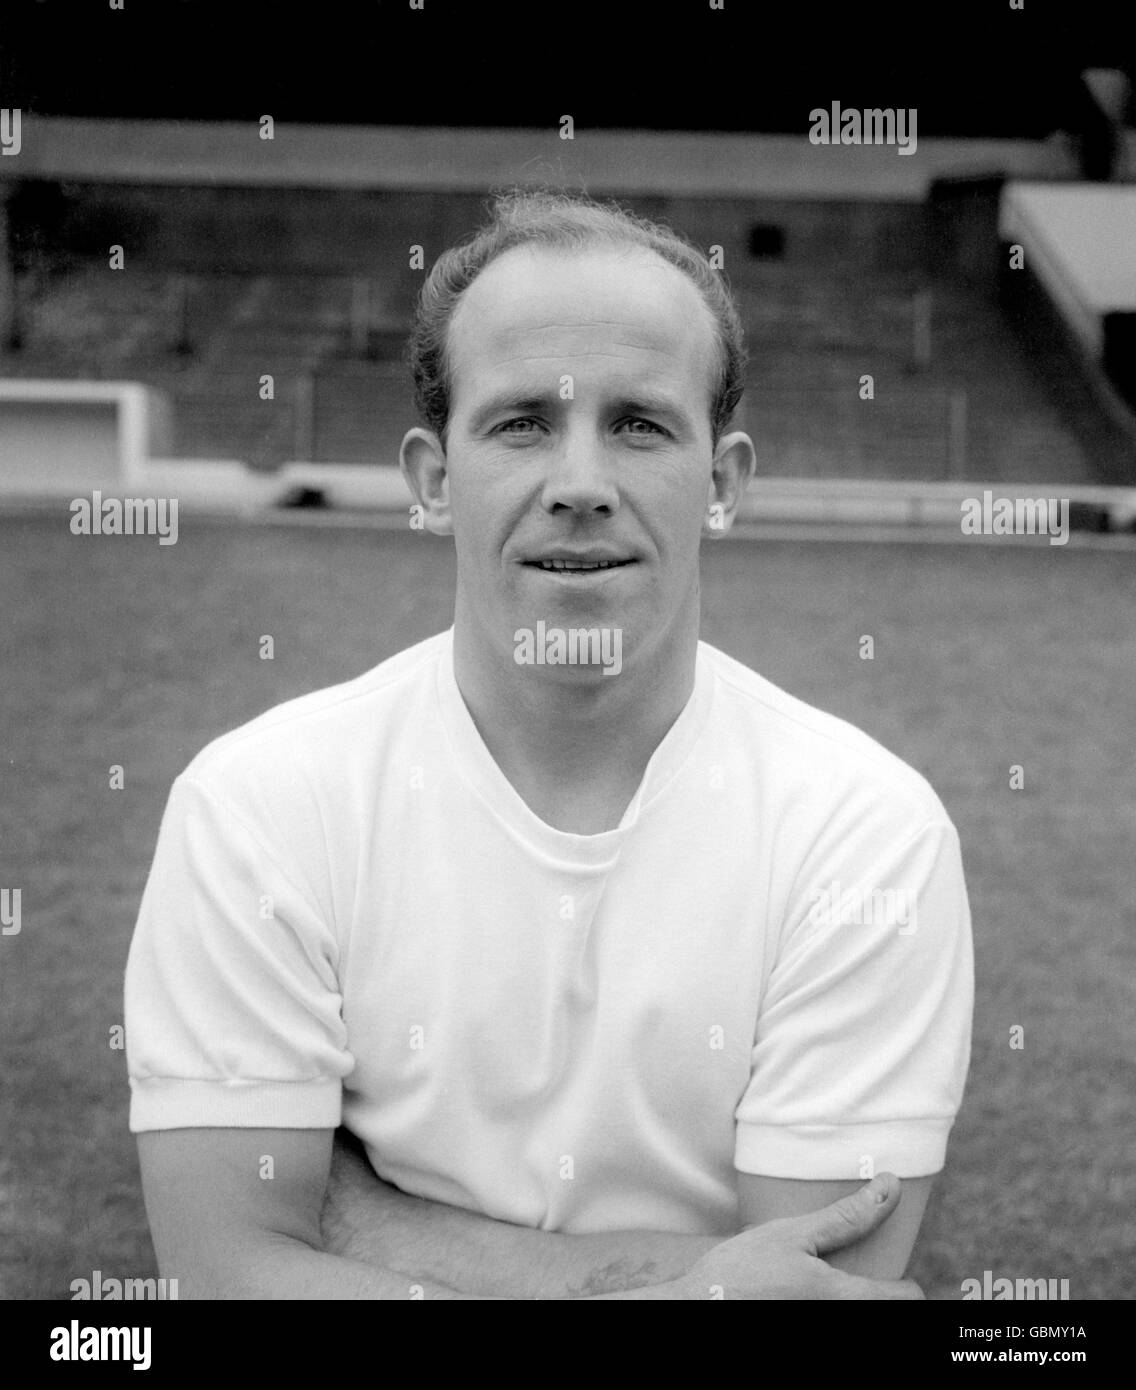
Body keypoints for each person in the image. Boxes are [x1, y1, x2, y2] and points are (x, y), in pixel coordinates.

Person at [125, 190, 973, 1299]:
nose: (580, 485)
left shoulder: (863, 834)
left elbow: (815, 1288)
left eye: (638, 423)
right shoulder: (258, 806)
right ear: (434, 479)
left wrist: (351, 1214)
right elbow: (225, 1271)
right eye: (522, 420)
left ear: (721, 481)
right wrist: (689, 1285)